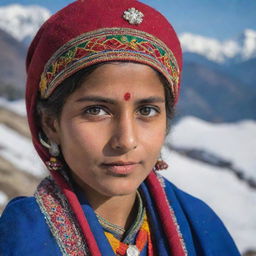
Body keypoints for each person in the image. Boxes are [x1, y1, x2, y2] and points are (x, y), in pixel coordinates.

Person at [0, 0, 240, 255]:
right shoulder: (21, 239)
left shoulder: (201, 226)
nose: (126, 140)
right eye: (96, 110)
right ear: (51, 124)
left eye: (146, 111)